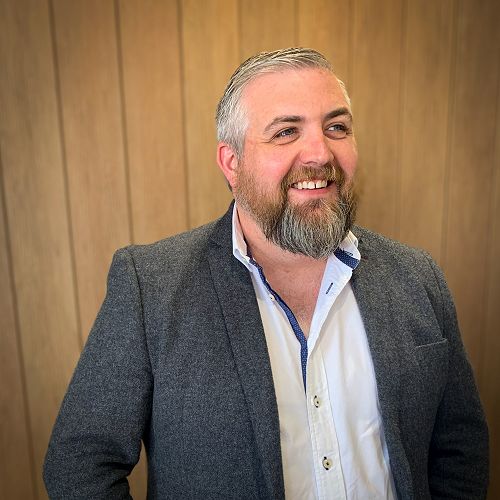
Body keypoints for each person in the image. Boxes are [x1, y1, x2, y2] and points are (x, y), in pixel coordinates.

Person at [44, 48, 488, 499]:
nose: (319, 152)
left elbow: (460, 448)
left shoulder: (418, 277)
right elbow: (80, 465)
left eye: (336, 127)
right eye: (286, 131)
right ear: (231, 163)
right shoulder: (150, 289)